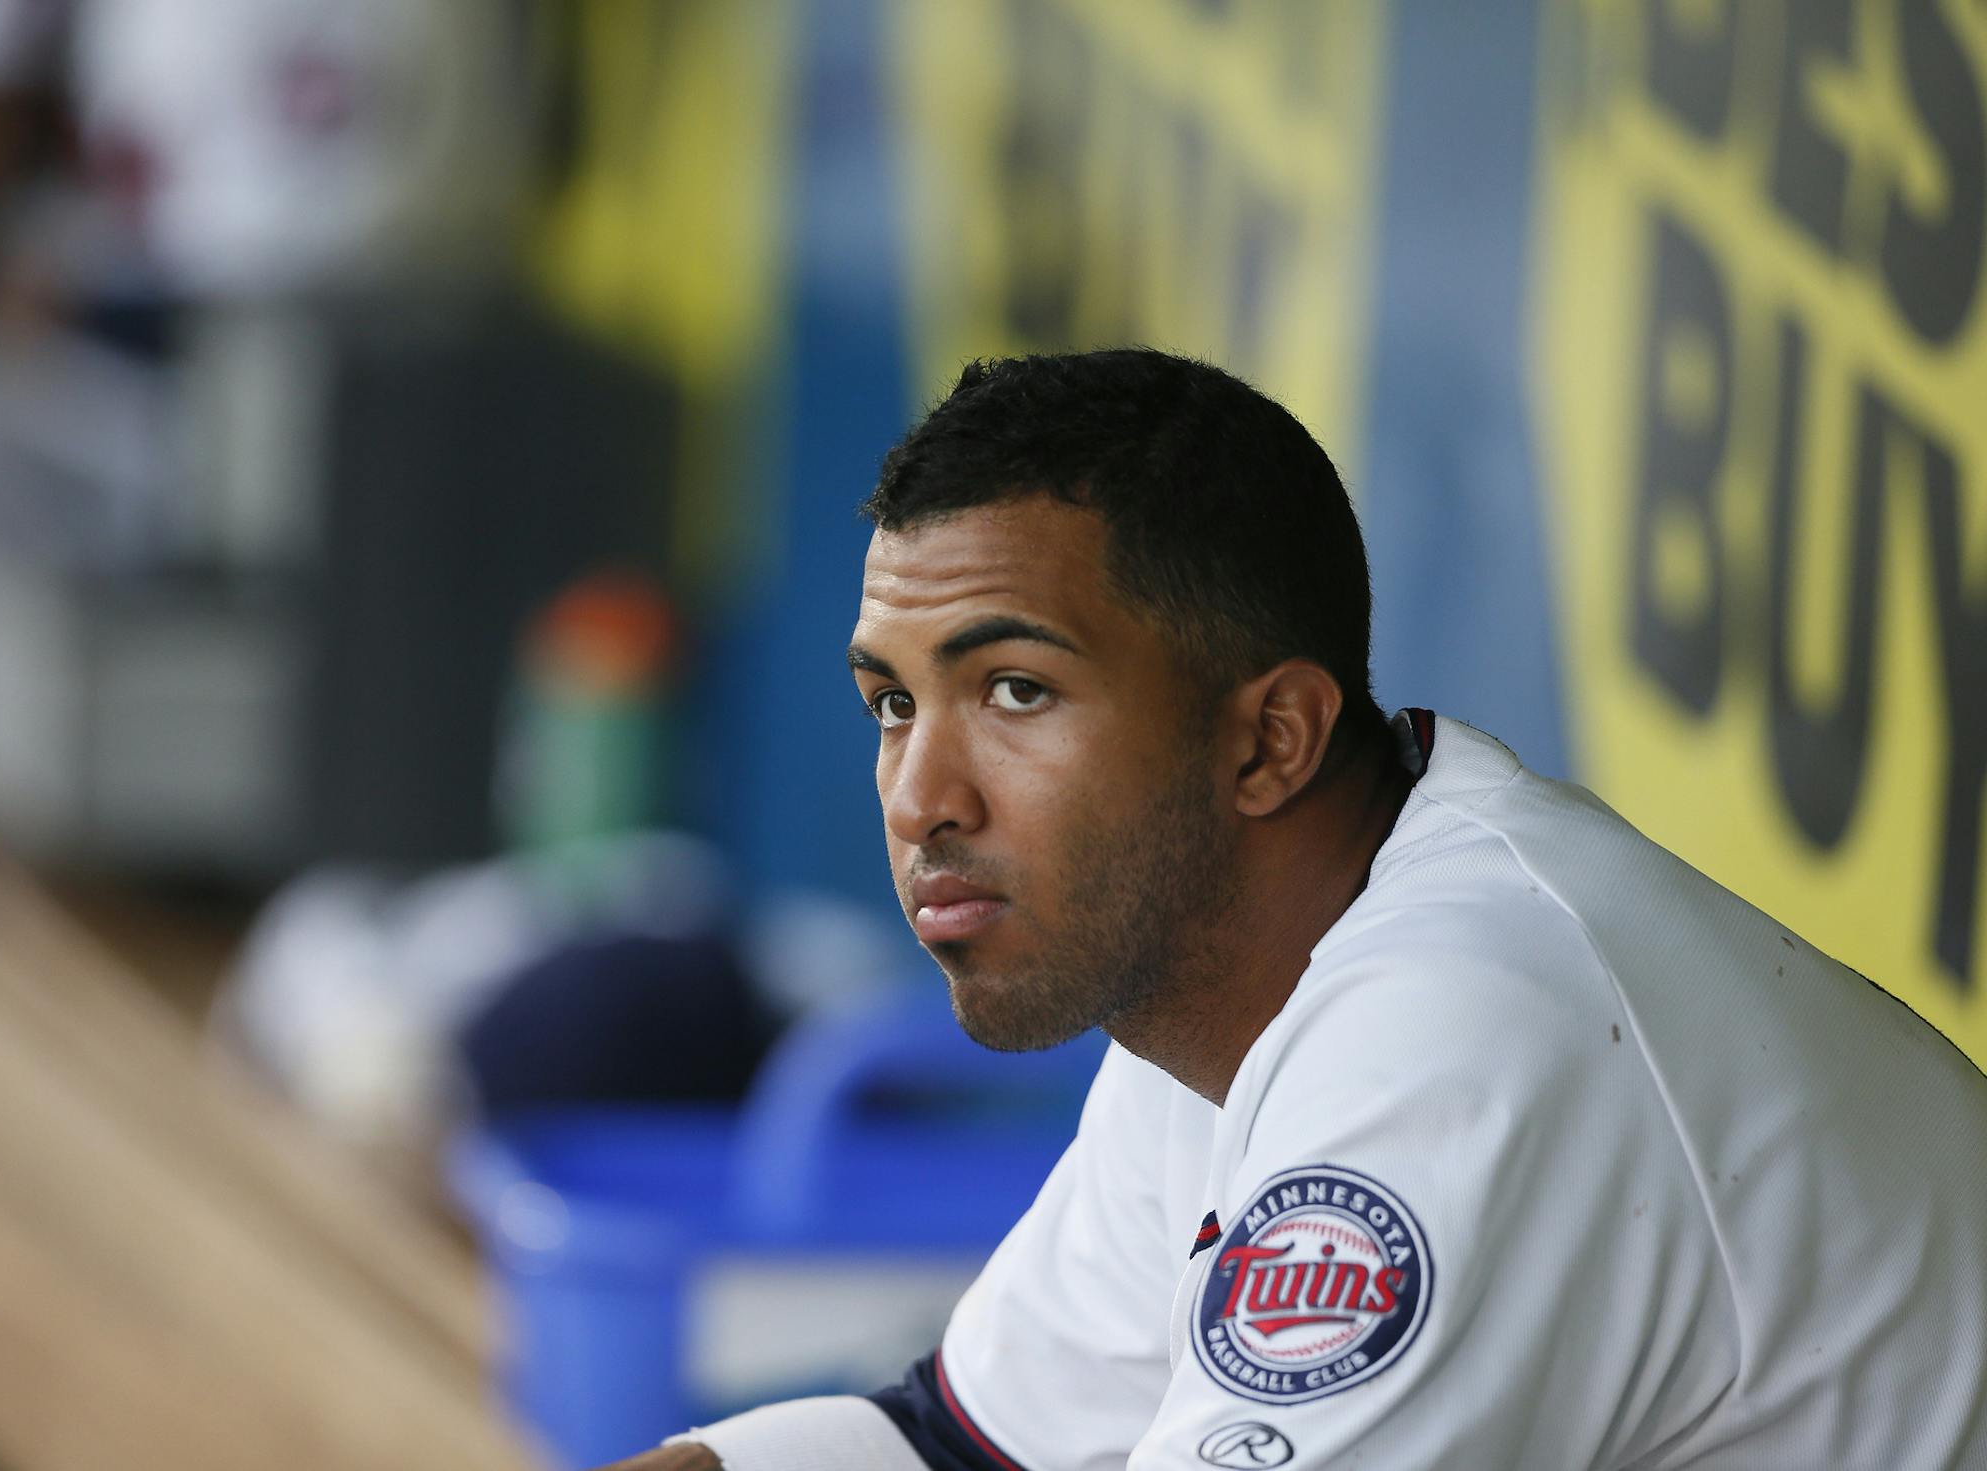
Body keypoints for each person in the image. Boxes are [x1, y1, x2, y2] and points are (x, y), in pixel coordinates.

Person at [600, 349, 1987, 1470]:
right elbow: (959, 1446)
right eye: (893, 704)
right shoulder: (1216, 999)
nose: (920, 796)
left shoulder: (1462, 1032)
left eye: (1015, 690)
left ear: (1269, 742)